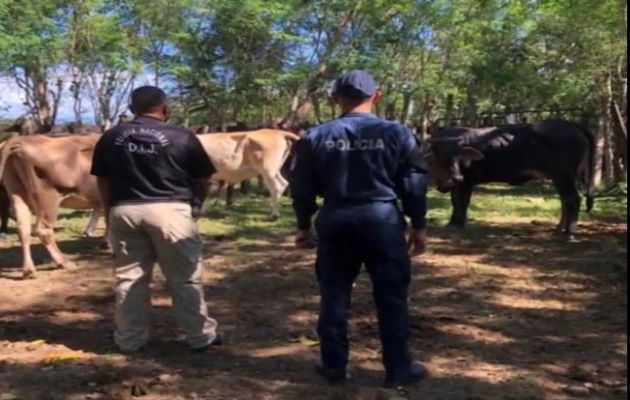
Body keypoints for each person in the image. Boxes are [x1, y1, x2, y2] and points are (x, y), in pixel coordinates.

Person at [290, 70, 430, 388]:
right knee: (392, 296)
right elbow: (414, 183)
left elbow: (301, 187)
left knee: (334, 294)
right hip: (382, 221)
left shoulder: (314, 136)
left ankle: (333, 366)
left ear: (335, 98)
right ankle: (398, 370)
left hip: (336, 221)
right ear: (376, 96)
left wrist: (303, 225)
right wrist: (418, 225)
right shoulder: (399, 133)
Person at [91, 86, 222, 353]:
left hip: (124, 210)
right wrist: (194, 206)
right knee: (185, 277)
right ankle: (200, 337)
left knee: (129, 279)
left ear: (131, 109)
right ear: (165, 108)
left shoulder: (111, 137)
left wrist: (109, 213)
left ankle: (129, 339)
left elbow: (102, 180)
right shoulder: (182, 136)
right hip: (171, 211)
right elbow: (205, 179)